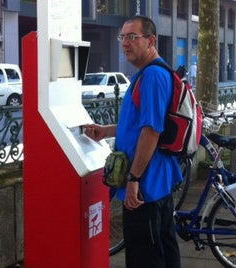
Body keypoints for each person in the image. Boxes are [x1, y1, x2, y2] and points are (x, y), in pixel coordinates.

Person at [83, 16, 181, 268]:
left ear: (151, 41)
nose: (125, 43)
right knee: (163, 246)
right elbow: (140, 125)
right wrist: (107, 131)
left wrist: (134, 179)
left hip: (146, 185)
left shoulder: (152, 77)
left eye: (132, 37)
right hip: (157, 179)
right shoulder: (151, 73)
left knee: (145, 256)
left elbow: (152, 130)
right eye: (122, 37)